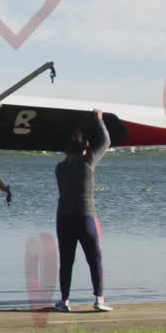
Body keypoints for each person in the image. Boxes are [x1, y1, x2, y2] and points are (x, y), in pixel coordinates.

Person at [54, 108, 112, 312]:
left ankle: (64, 301)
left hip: (64, 218)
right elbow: (105, 142)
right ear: (85, 150)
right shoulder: (87, 164)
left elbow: (71, 154)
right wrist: (99, 120)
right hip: (85, 217)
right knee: (95, 258)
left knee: (66, 260)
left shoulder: (60, 167)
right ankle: (99, 300)